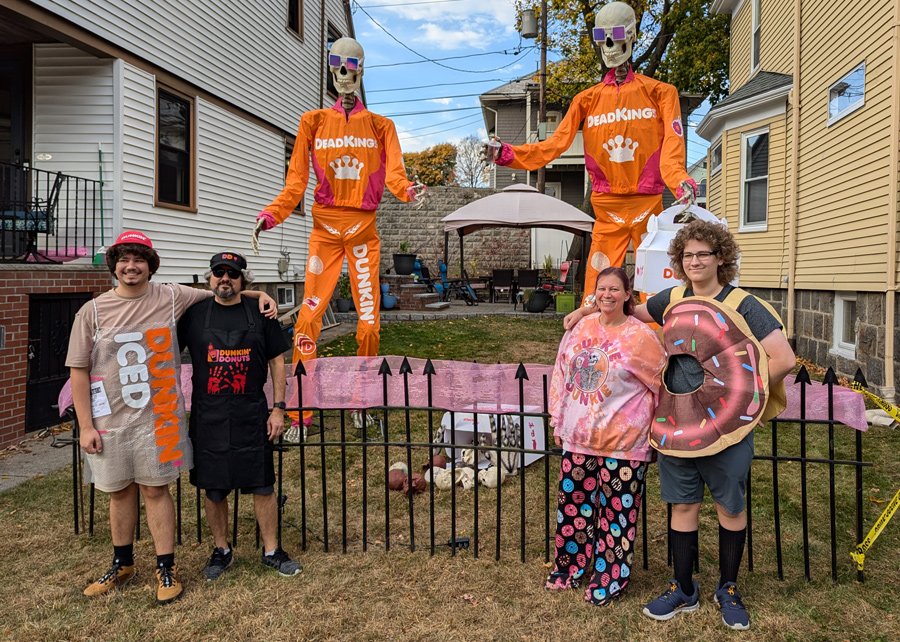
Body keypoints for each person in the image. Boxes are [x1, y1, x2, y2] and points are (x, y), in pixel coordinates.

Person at [564, 220, 795, 630]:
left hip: (725, 427)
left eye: (703, 254)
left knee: (729, 506)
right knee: (683, 505)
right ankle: (683, 588)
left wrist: (741, 398)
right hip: (679, 424)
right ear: (679, 261)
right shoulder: (671, 298)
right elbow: (626, 308)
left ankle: (728, 588)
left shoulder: (744, 304)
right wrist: (585, 308)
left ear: (720, 257)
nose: (695, 261)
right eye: (688, 255)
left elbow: (783, 359)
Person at [67, 231, 276, 605]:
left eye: (139, 260)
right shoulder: (93, 311)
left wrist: (259, 295)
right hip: (109, 421)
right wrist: (85, 426)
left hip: (158, 416)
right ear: (114, 265)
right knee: (118, 493)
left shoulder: (170, 296)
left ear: (151, 266)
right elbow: (78, 370)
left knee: (155, 490)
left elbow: (222, 293)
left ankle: (166, 567)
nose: (131, 267)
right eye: (124, 260)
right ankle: (122, 562)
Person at [251, 36, 425, 427]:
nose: (344, 71)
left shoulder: (381, 126)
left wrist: (409, 190)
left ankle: (363, 402)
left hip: (363, 233)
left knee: (369, 324)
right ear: (329, 66)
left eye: (351, 63)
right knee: (307, 322)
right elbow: (295, 182)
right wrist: (272, 215)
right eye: (336, 62)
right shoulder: (312, 121)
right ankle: (301, 412)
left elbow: (396, 174)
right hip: (324, 233)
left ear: (361, 69)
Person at [487, 1, 696, 299]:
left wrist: (680, 183)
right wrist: (506, 154)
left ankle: (657, 342)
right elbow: (553, 146)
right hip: (607, 208)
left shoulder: (661, 93)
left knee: (655, 288)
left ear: (632, 35)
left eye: (616, 35)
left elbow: (672, 148)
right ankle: (595, 344)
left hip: (648, 205)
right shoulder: (587, 99)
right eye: (602, 36)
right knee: (599, 289)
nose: (609, 45)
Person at [178, 251, 301, 579]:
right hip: (208, 416)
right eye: (219, 272)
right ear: (210, 278)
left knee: (262, 485)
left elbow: (277, 361)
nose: (225, 279)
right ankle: (222, 551)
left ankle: (272, 551)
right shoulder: (193, 314)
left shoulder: (261, 313)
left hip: (251, 413)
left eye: (232, 274)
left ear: (243, 280)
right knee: (214, 488)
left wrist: (278, 408)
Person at [546, 266, 665, 606]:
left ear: (628, 295)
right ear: (594, 293)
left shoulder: (641, 337)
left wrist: (658, 431)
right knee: (573, 510)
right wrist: (559, 420)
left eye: (615, 289)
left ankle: (610, 577)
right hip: (579, 438)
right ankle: (569, 568)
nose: (607, 295)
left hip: (624, 443)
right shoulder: (581, 327)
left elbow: (660, 386)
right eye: (602, 289)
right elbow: (561, 376)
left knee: (617, 516)